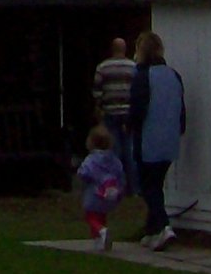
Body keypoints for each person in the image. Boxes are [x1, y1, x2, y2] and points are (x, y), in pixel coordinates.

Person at [130, 28, 186, 249]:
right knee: (156, 184)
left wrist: (130, 125)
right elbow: (181, 108)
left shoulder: (142, 77)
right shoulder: (173, 75)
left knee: (147, 186)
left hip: (148, 139)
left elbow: (137, 110)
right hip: (170, 139)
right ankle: (152, 230)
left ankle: (163, 226)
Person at [92, 35, 138, 191]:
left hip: (110, 112)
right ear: (125, 49)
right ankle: (134, 188)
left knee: (114, 150)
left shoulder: (103, 67)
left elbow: (97, 93)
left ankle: (117, 185)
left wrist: (99, 110)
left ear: (112, 49)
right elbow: (137, 91)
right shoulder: (133, 67)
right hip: (128, 114)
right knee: (130, 150)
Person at [75, 123, 127, 251]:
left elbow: (84, 173)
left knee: (90, 216)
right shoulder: (114, 159)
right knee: (103, 215)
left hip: (94, 193)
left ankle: (101, 231)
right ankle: (101, 240)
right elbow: (121, 175)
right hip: (111, 194)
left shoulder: (91, 160)